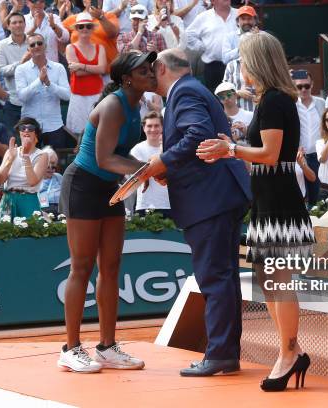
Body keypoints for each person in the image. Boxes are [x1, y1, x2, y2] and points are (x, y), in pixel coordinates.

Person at [195, 31, 312, 389]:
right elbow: (265, 154)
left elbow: (271, 154)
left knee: (278, 280)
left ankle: (288, 354)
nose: (241, 67)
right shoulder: (269, 100)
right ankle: (293, 352)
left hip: (279, 200)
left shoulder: (276, 101)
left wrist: (230, 150)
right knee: (269, 280)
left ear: (258, 62)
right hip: (268, 197)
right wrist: (235, 147)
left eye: (245, 60)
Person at [142, 48, 251, 377]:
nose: (146, 78)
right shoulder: (193, 88)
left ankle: (219, 354)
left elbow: (197, 135)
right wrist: (170, 169)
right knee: (225, 277)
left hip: (209, 200)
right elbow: (196, 142)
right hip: (220, 196)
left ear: (161, 68)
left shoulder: (185, 91)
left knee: (215, 278)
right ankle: (225, 353)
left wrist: (161, 162)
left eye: (149, 71)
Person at [57, 51, 158, 373]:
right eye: (144, 70)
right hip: (83, 186)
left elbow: (118, 153)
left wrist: (139, 173)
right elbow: (102, 159)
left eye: (150, 68)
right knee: (82, 267)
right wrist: (148, 170)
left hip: (108, 188)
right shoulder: (114, 105)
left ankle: (107, 346)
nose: (151, 73)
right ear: (127, 78)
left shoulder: (137, 104)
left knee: (111, 266)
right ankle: (70, 348)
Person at [15, 33, 73, 149]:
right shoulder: (21, 69)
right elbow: (22, 96)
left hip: (54, 125)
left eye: (39, 43)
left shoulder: (59, 68)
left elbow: (67, 95)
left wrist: (49, 84)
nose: (36, 46)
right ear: (28, 49)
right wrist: (39, 81)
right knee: (30, 162)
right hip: (30, 126)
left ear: (45, 46)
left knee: (54, 165)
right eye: (32, 44)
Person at [0, 117, 48, 218]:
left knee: (31, 232)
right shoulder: (11, 152)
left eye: (30, 128)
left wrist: (26, 156)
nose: (26, 130)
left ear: (36, 133)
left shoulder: (42, 155)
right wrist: (10, 160)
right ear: (19, 133)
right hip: (8, 199)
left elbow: (32, 181)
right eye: (22, 128)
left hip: (28, 200)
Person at [66, 12, 106, 135]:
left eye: (88, 26)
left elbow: (103, 69)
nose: (85, 29)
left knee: (99, 130)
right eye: (81, 26)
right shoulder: (70, 48)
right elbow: (77, 73)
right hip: (79, 96)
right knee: (80, 133)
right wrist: (94, 68)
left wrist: (81, 65)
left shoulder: (100, 47)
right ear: (76, 29)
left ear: (92, 28)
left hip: (97, 95)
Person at [186, 0, 239, 92]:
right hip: (213, 67)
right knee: (216, 99)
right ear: (213, 1)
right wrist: (203, 47)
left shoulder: (240, 14)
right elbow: (188, 35)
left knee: (239, 95)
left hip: (238, 65)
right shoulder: (203, 17)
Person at [293, 69, 325, 207]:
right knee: (301, 195)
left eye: (307, 86)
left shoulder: (321, 103)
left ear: (312, 85)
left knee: (317, 196)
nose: (303, 89)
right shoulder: (292, 105)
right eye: (299, 86)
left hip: (319, 156)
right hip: (300, 157)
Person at [128, 110, 170, 217]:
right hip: (145, 205)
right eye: (149, 126)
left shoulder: (171, 148)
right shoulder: (137, 149)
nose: (153, 129)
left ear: (162, 127)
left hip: (170, 205)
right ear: (144, 128)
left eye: (156, 126)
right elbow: (136, 176)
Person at [0, 11, 30, 134]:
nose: (18, 25)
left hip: (32, 99)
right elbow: (0, 71)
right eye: (14, 23)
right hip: (12, 99)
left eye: (21, 22)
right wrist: (21, 63)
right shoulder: (2, 45)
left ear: (25, 24)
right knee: (11, 139)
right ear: (8, 26)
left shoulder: (34, 42)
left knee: (32, 138)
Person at [214, 81, 253, 146]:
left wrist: (246, 132)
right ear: (219, 100)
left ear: (235, 95)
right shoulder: (218, 120)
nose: (226, 98)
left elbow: (258, 140)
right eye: (222, 97)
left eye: (228, 94)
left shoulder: (250, 115)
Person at [38, 146, 62, 214]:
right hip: (43, 211)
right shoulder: (36, 179)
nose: (51, 169)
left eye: (53, 167)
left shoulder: (59, 177)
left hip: (60, 210)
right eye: (48, 166)